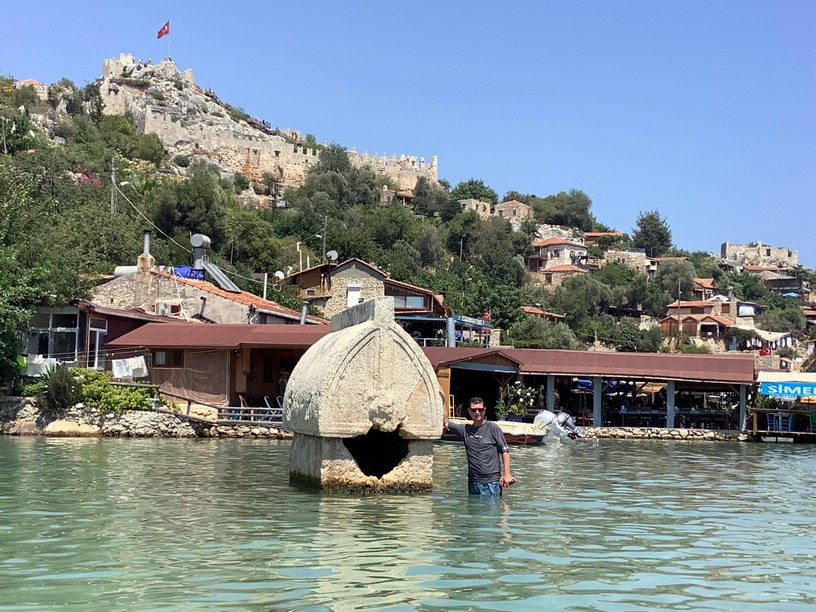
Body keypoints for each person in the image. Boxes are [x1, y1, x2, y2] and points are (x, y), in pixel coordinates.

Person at [443, 395, 515, 496]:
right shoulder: (465, 430)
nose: (477, 412)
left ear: (484, 410)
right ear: (469, 411)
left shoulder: (493, 428)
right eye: (474, 410)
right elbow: (446, 423)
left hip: (491, 484)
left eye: (480, 410)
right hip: (473, 483)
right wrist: (444, 400)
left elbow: (505, 451)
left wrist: (507, 474)